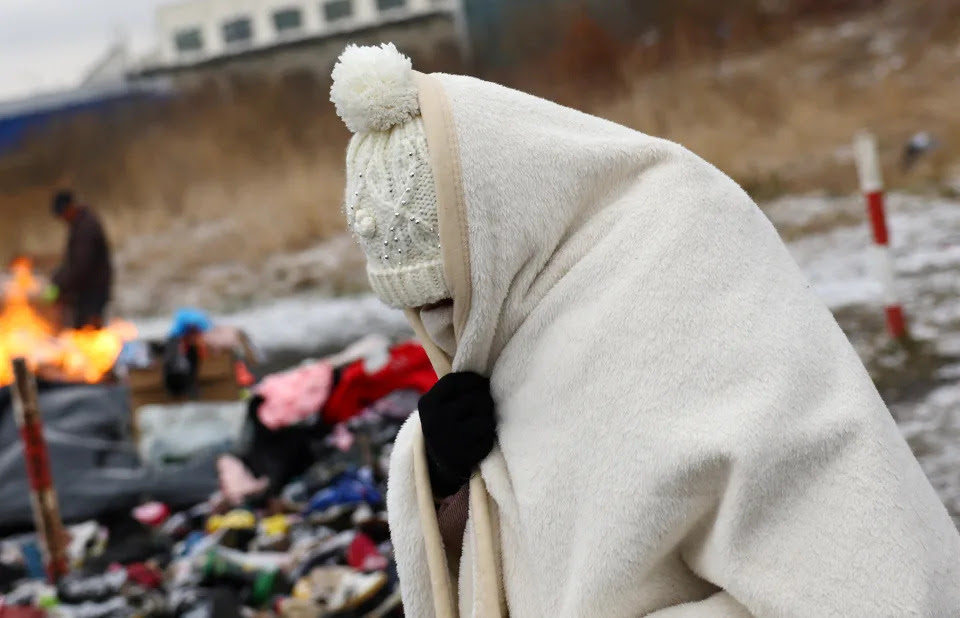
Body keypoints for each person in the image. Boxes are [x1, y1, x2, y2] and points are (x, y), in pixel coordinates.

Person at [330, 43, 960, 617]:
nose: (444, 327)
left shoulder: (686, 264)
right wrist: (441, 478)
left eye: (451, 294)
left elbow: (861, 571)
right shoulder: (515, 309)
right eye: (420, 309)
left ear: (503, 230)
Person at [48, 190, 113, 329]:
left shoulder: (86, 228)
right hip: (86, 292)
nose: (62, 219)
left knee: (89, 331)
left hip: (92, 292)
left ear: (70, 208)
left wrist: (59, 285)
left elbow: (80, 266)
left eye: (63, 213)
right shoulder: (79, 225)